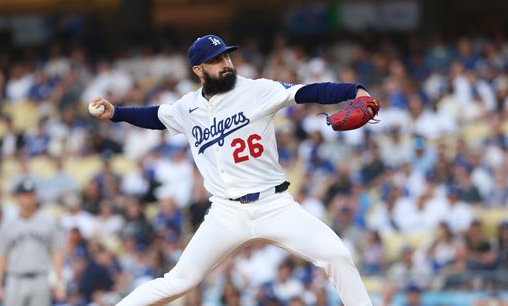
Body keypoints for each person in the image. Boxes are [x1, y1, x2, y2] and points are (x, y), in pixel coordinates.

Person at [91, 34, 373, 306]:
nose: (226, 63)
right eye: (216, 60)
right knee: (178, 281)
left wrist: (354, 91)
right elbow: (156, 116)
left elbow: (307, 91)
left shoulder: (256, 90)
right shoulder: (187, 107)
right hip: (226, 213)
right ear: (198, 70)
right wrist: (117, 113)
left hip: (274, 205)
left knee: (337, 255)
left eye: (226, 55)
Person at [0, 177, 66, 306]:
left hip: (40, 278)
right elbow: (2, 255)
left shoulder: (47, 222)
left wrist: (60, 283)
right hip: (15, 278)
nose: (28, 198)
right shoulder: (8, 224)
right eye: (25, 195)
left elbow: (56, 253)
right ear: (18, 197)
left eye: (31, 194)